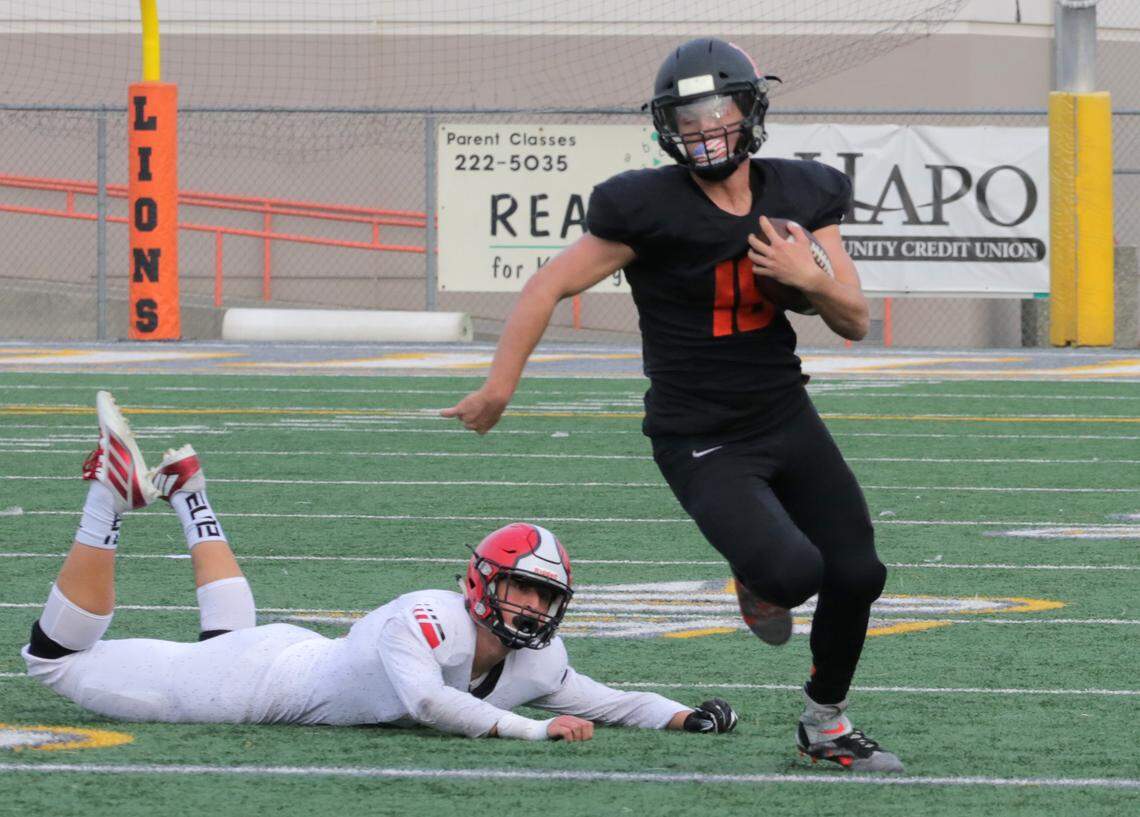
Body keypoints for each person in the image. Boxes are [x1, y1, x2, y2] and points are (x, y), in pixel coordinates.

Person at [442, 38, 901, 771]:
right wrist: (500, 385)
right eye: (688, 119)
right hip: (699, 433)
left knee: (859, 572)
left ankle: (825, 722)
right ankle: (757, 577)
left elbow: (852, 318)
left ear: (750, 111)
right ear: (666, 128)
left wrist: (803, 276)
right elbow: (546, 285)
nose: (706, 130)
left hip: (784, 412)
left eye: (718, 112)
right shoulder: (644, 206)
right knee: (791, 574)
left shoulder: (802, 192)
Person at [22, 391, 738, 741]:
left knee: (219, 643)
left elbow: (608, 701)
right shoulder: (427, 619)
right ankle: (106, 500)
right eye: (521, 587)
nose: (531, 608)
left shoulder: (539, 661)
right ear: (483, 582)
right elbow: (430, 703)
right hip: (255, 686)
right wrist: (532, 731)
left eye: (543, 595)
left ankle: (190, 492)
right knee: (51, 662)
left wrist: (685, 717)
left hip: (286, 654)